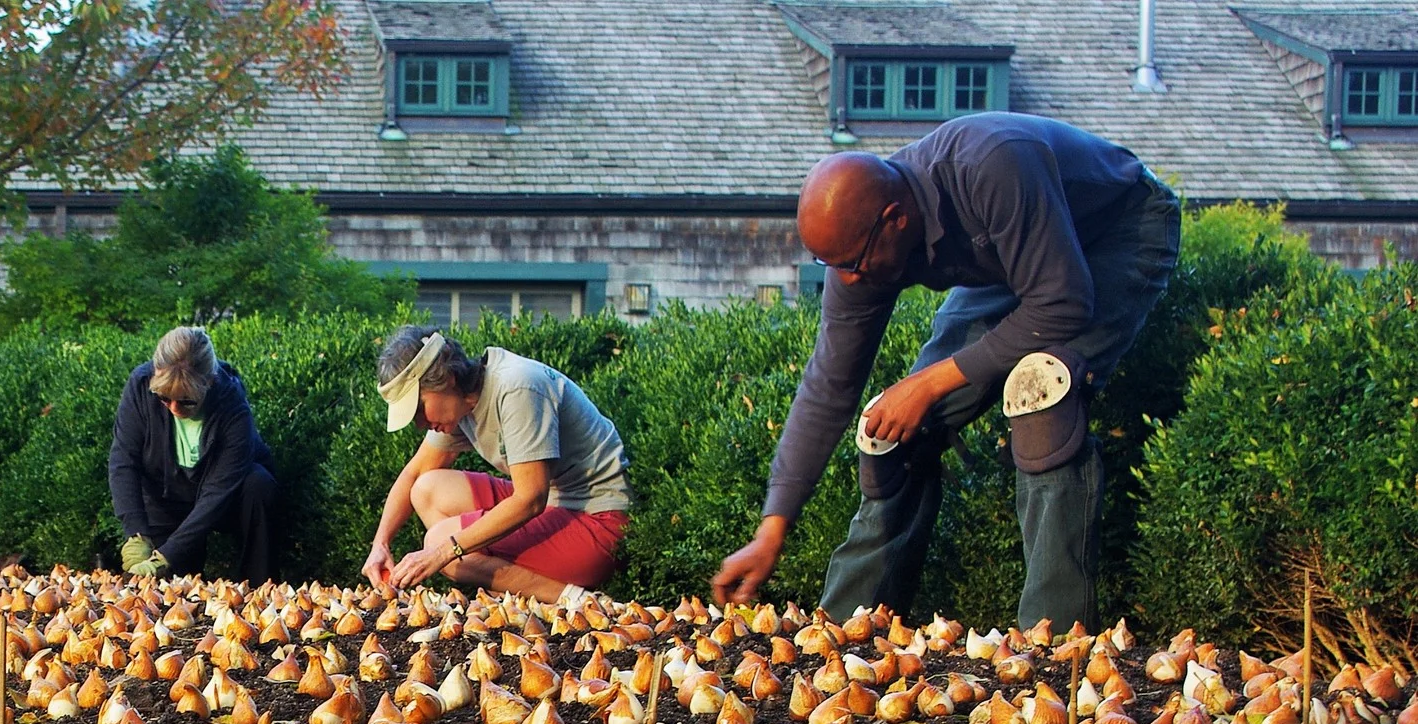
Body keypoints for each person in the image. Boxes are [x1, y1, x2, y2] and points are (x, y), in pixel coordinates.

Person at [709, 113, 1181, 631]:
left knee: (1042, 390)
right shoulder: (859, 245)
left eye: (854, 264)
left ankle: (1052, 644)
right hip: (1015, 260)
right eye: (833, 266)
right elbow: (829, 387)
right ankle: (848, 632)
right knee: (891, 427)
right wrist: (772, 529)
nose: (849, 280)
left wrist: (929, 383)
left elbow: (1062, 303)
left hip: (1119, 230)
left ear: (896, 219)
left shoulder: (991, 163)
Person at [362, 326, 631, 606]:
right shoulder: (462, 402)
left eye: (419, 409)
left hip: (598, 522)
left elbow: (530, 499)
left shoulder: (517, 388)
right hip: (556, 505)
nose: (419, 424)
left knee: (440, 543)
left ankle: (577, 600)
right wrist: (380, 544)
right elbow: (415, 472)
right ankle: (513, 589)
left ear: (447, 379)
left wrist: (443, 553)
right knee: (426, 489)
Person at [107, 326, 280, 582]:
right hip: (165, 499)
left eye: (186, 400)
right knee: (169, 588)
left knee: (258, 484)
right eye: (164, 398)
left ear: (209, 382)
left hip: (226, 499)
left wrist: (167, 555)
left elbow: (218, 492)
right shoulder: (140, 385)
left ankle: (259, 586)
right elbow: (123, 460)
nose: (174, 408)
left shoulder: (232, 405)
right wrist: (136, 534)